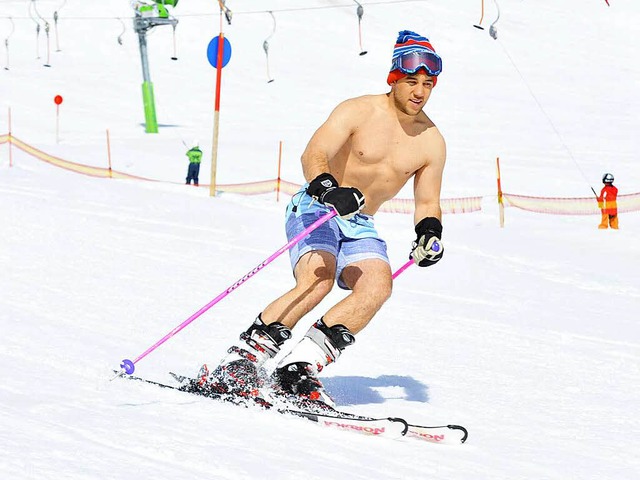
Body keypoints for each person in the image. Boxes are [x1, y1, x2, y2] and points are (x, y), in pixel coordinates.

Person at [196, 30, 447, 406]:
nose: (419, 91)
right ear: (394, 78)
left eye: (428, 84)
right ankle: (241, 363)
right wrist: (330, 189)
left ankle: (296, 370)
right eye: (412, 81)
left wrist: (430, 232)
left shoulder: (431, 141)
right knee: (319, 279)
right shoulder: (358, 110)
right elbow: (314, 153)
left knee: (377, 287)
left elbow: (428, 200)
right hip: (318, 206)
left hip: (360, 221)